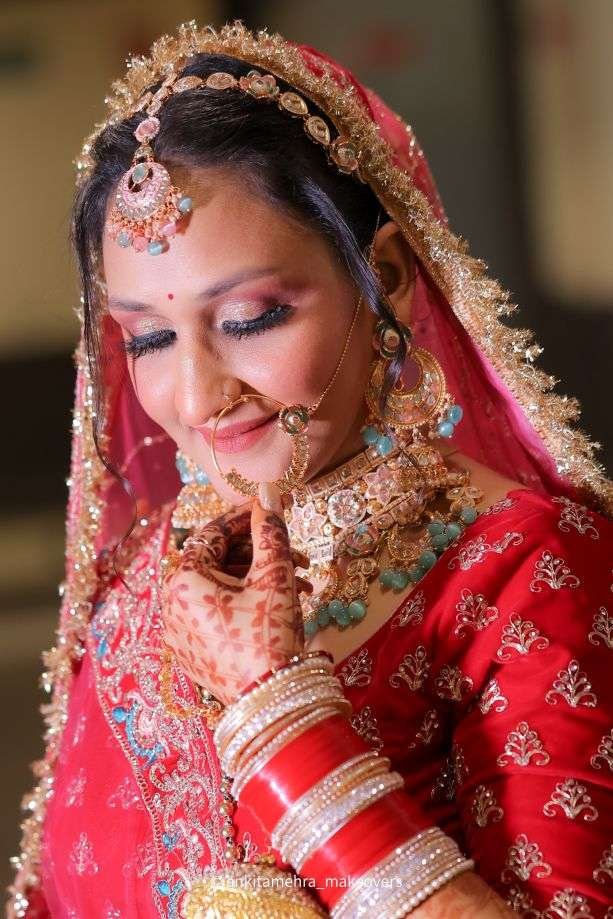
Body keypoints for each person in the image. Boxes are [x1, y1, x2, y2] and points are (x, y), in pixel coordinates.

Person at [8, 20, 613, 919]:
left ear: (388, 276)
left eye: (250, 318)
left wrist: (279, 716)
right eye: (149, 338)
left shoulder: (522, 568)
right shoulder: (146, 568)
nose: (198, 395)